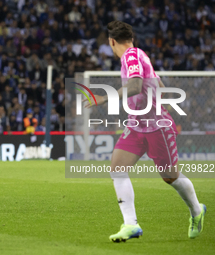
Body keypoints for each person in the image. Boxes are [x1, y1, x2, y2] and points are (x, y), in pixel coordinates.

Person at [85, 21, 206, 242]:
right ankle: (131, 224)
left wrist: (103, 98)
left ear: (112, 42)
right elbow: (156, 80)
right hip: (136, 124)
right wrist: (164, 100)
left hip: (156, 126)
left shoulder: (131, 56)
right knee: (117, 168)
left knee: (170, 177)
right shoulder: (140, 55)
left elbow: (135, 85)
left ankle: (197, 210)